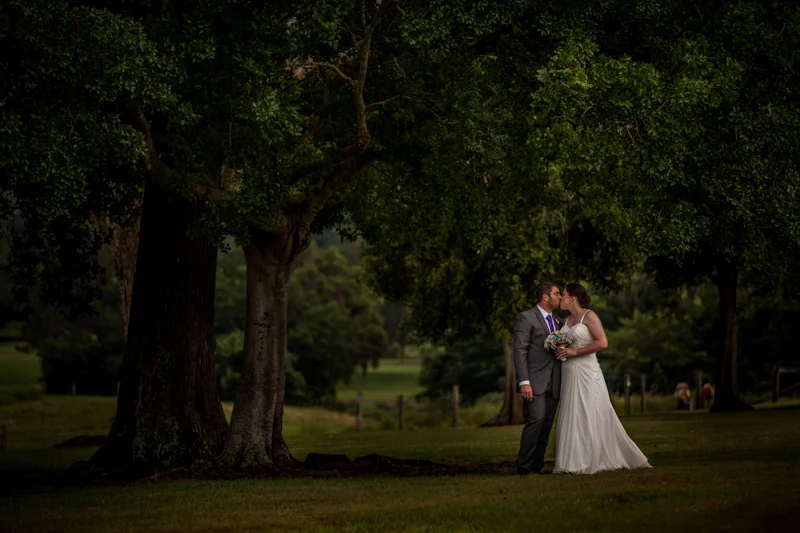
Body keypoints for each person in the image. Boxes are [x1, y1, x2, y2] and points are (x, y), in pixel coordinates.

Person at [553, 283, 651, 474]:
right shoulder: (566, 320)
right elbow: (566, 343)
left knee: (590, 410)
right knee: (572, 412)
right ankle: (570, 460)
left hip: (587, 370)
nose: (560, 299)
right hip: (569, 371)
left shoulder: (589, 316)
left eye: (563, 295)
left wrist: (575, 351)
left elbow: (602, 342)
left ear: (573, 297)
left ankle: (594, 457)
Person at [512, 282, 562, 475]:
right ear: (545, 297)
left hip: (555, 381)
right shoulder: (526, 318)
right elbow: (519, 350)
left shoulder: (557, 322)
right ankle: (523, 466)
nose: (560, 297)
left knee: (547, 423)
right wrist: (524, 381)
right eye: (557, 293)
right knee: (536, 420)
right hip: (534, 382)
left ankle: (537, 466)